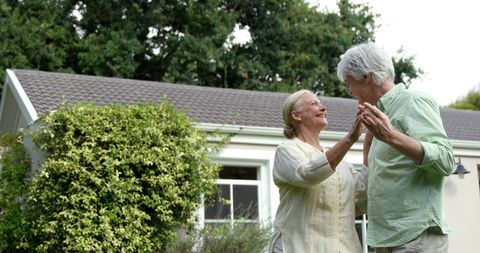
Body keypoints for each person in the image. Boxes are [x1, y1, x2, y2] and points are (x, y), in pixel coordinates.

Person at [337, 42, 455, 253]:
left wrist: (391, 137)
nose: (349, 91)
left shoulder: (413, 101)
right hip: (386, 241)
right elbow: (380, 190)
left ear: (366, 77)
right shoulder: (377, 121)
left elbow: (446, 160)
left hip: (415, 237)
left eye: (349, 82)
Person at [268, 90, 366, 253]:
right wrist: (350, 138)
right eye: (314, 104)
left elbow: (365, 196)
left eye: (321, 104)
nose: (323, 108)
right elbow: (307, 174)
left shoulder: (342, 163)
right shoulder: (287, 150)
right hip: (297, 247)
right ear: (296, 115)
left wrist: (371, 140)